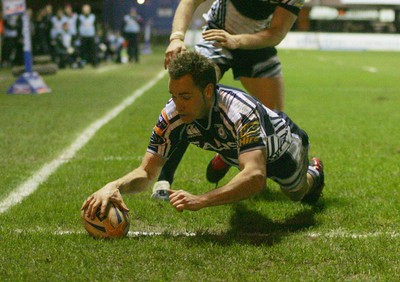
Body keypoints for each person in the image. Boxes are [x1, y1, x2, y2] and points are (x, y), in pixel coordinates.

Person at [81, 51, 324, 219]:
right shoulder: (172, 114)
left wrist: (202, 199)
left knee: (298, 193)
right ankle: (229, 155)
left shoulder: (240, 111)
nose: (177, 105)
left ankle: (315, 170)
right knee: (241, 156)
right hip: (238, 146)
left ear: (208, 91)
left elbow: (256, 177)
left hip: (282, 148)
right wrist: (113, 186)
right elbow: (147, 172)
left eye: (185, 97)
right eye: (174, 95)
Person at [157, 0, 305, 193]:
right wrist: (176, 37)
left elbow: (276, 32)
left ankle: (229, 156)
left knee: (273, 119)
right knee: (191, 97)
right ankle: (164, 180)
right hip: (217, 35)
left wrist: (238, 41)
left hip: (256, 43)